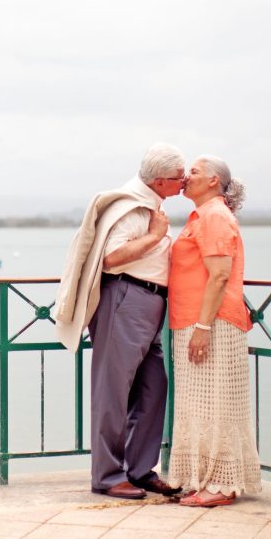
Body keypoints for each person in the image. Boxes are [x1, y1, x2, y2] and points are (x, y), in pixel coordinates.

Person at [55, 142, 185, 499]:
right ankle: (109, 476)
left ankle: (140, 469)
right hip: (126, 299)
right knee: (112, 391)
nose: (184, 182)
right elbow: (112, 258)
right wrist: (155, 237)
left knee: (153, 387)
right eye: (178, 177)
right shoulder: (132, 208)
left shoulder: (149, 204)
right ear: (160, 181)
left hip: (148, 303)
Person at [166, 155, 262, 507]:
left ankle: (222, 485)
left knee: (218, 404)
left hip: (213, 324)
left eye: (194, 171)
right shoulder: (202, 215)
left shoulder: (215, 216)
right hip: (194, 323)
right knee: (200, 407)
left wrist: (203, 327)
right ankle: (204, 478)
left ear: (212, 181)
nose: (185, 176)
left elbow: (220, 275)